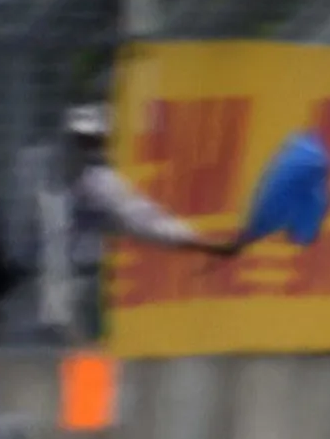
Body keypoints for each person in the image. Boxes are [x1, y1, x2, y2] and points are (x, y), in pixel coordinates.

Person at [30, 104, 240, 343]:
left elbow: (147, 223)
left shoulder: (101, 185)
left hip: (78, 285)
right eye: (80, 140)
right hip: (39, 290)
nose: (84, 147)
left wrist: (204, 244)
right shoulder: (46, 180)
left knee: (82, 357)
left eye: (91, 140)